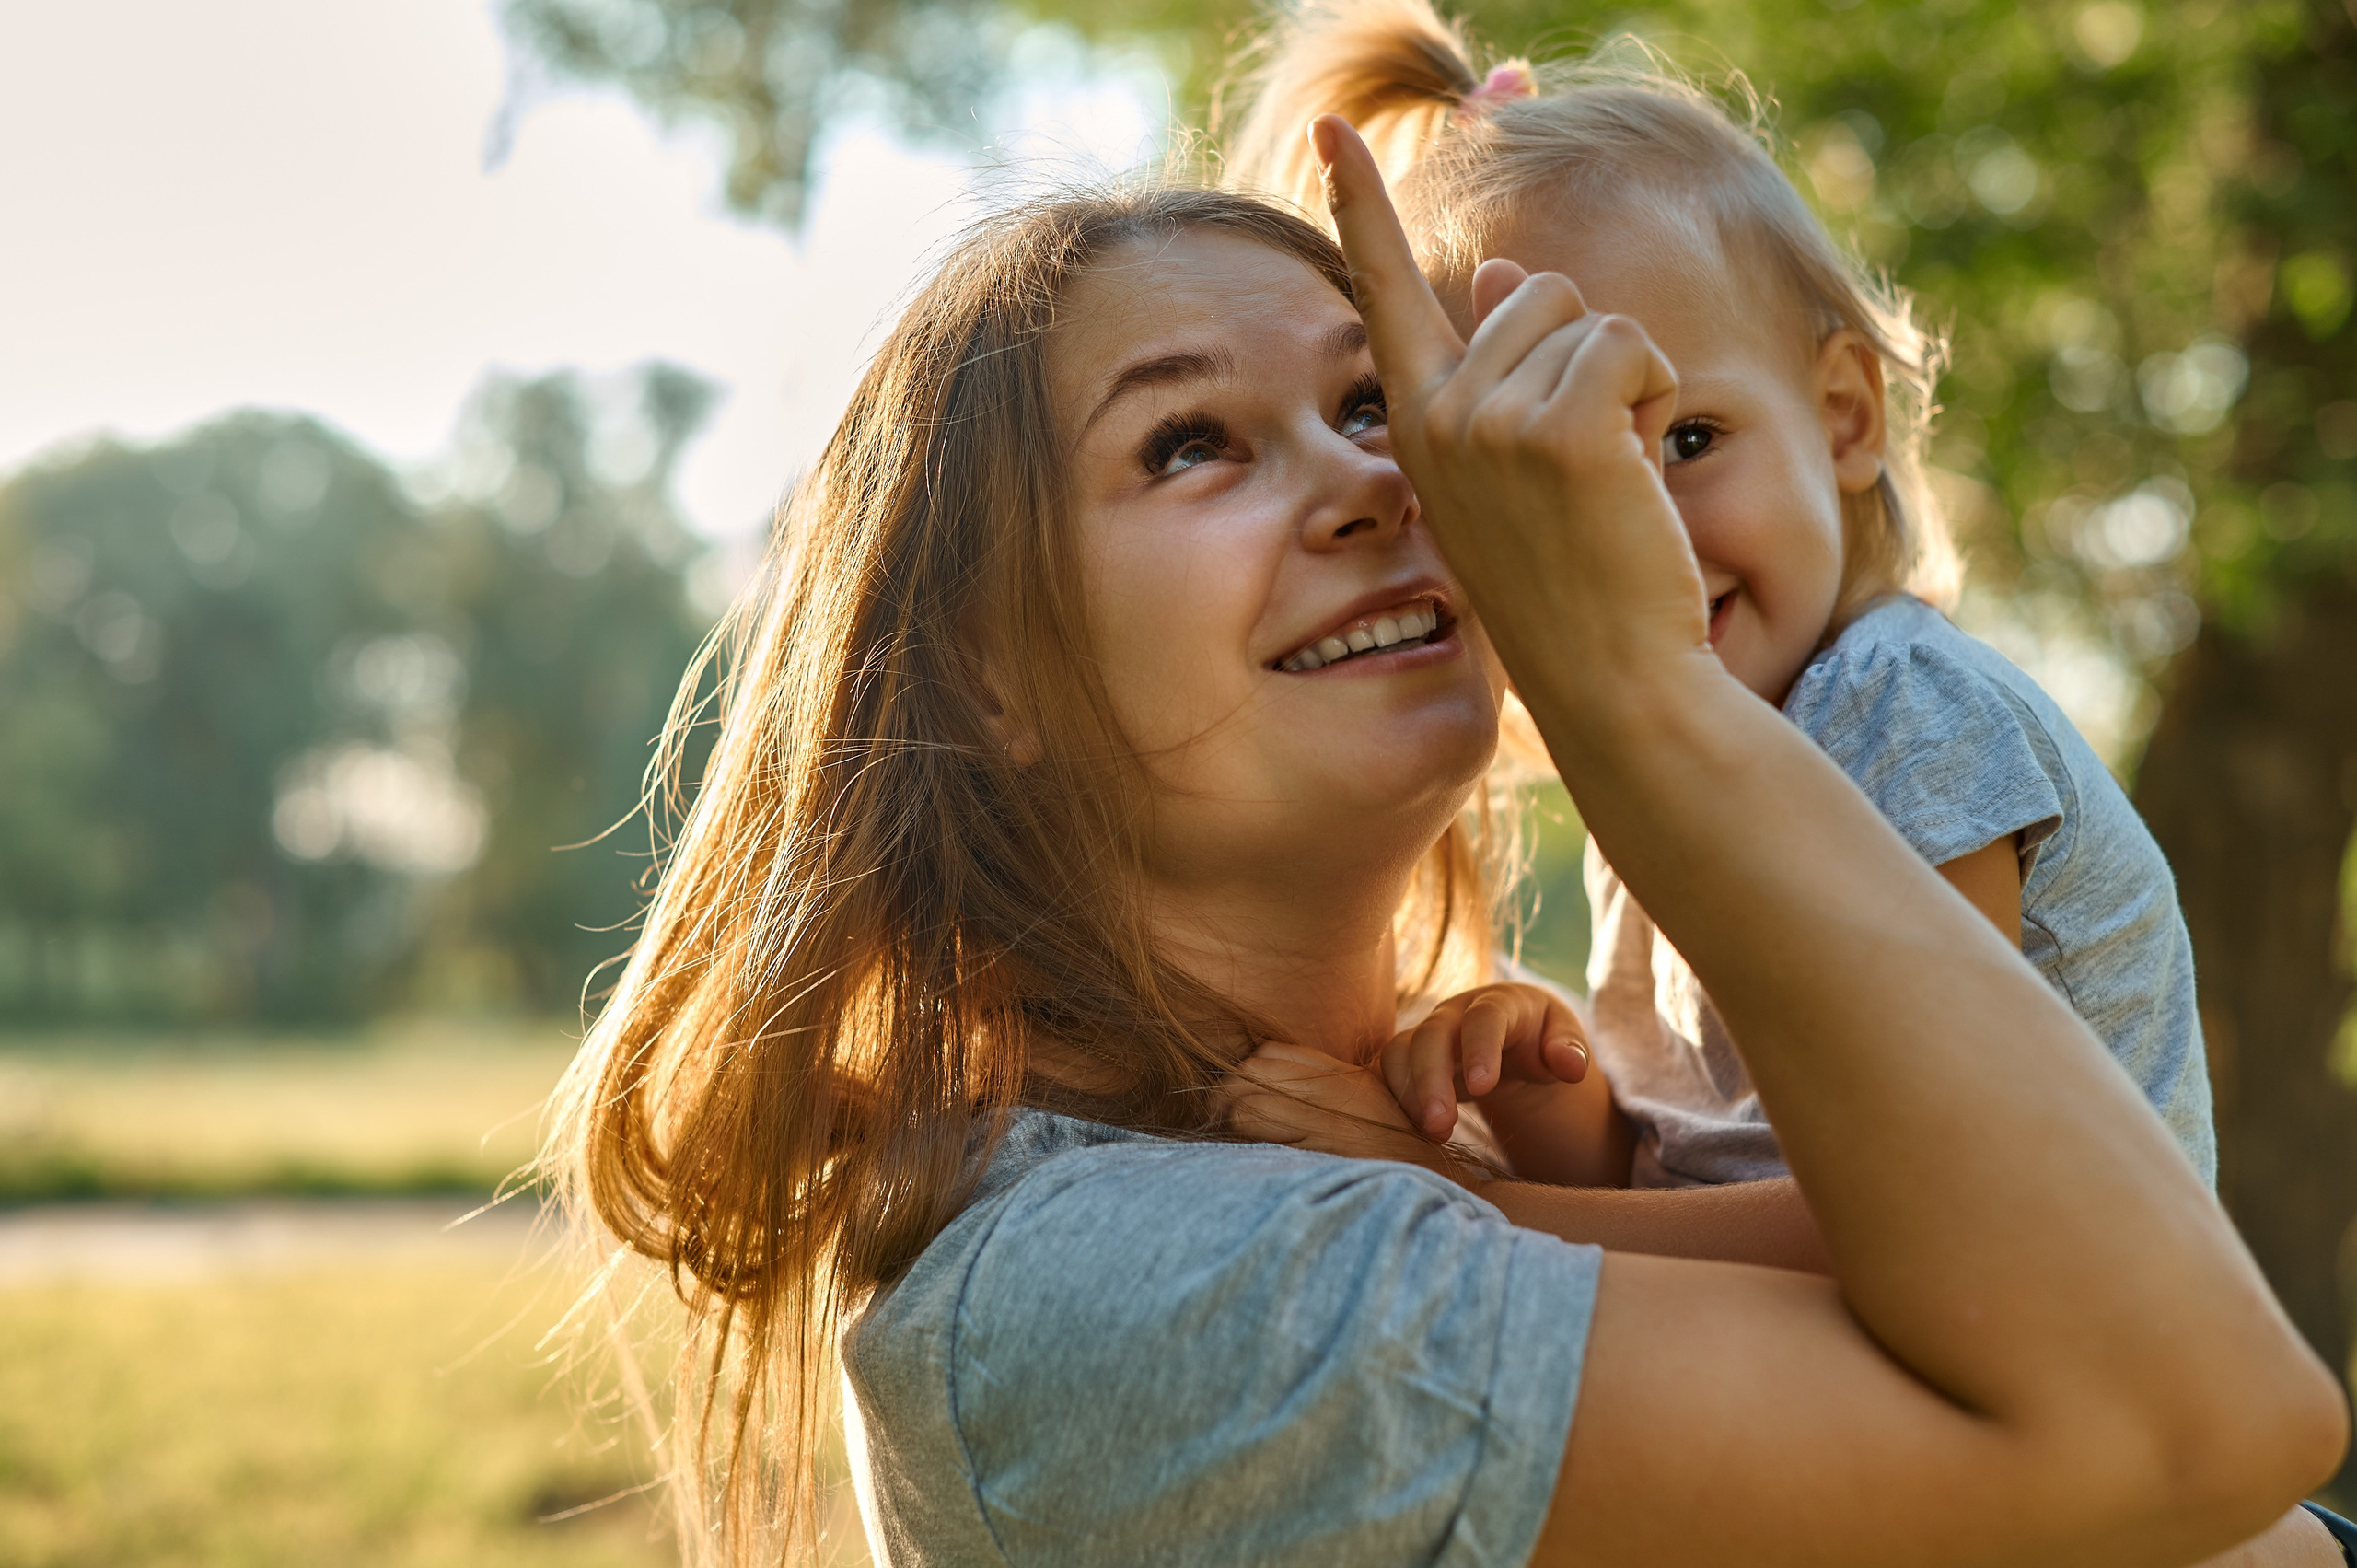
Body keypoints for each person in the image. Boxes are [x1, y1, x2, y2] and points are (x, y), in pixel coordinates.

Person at [542, 167, 2344, 1566]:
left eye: (1375, 408)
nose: (1369, 487)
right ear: (988, 676)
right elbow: (2206, 1433)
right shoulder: (1114, 1286)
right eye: (1190, 444)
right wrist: (1639, 686)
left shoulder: (1450, 1124)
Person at [1221, 0, 2214, 1191]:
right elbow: (1694, 1175)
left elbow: (1927, 1225)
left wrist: (1479, 1210)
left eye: (1687, 436)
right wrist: (1545, 1097)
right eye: (1539, 475)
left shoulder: (1896, 713)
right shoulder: (1665, 765)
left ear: (1844, 416)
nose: (1630, 523)